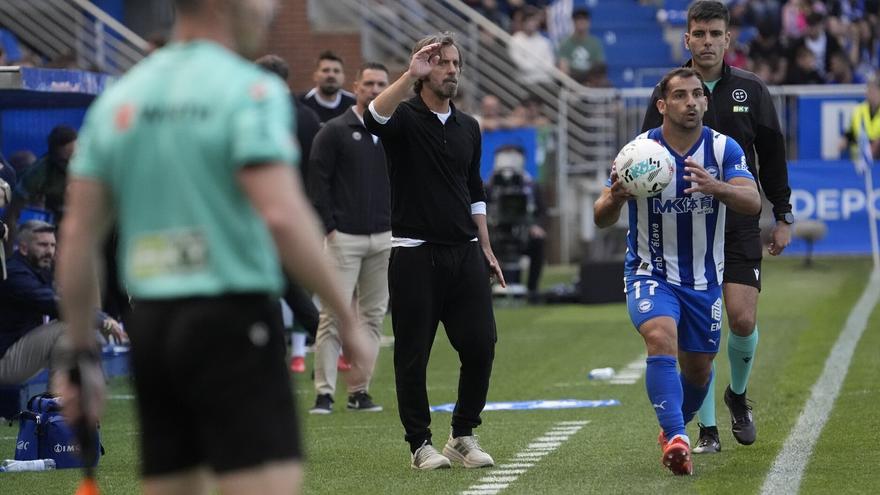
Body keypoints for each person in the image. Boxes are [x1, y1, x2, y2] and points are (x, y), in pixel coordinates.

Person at [54, 1, 369, 494]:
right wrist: (347, 320)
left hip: (153, 326)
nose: (268, 11)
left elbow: (76, 238)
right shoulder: (249, 91)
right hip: (233, 320)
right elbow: (282, 215)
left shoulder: (123, 98)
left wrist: (79, 355)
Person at [641, 0, 794, 455]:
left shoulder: (751, 89)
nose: (706, 42)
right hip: (686, 230)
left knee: (743, 319)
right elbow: (644, 158)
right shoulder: (667, 90)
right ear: (686, 38)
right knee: (695, 335)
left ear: (728, 39)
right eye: (699, 33)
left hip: (738, 223)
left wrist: (782, 214)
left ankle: (738, 397)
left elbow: (773, 153)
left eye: (715, 34)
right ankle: (706, 430)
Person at [597, 67, 760, 475]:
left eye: (697, 95)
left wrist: (716, 187)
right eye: (681, 95)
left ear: (705, 102)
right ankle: (676, 438)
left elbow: (753, 202)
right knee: (659, 335)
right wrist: (615, 198)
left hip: (704, 279)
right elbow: (600, 216)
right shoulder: (636, 153)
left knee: (700, 369)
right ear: (662, 105)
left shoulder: (725, 151)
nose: (691, 102)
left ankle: (676, 427)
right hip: (649, 271)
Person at [363, 32, 505, 470]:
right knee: (413, 354)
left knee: (481, 345)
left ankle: (462, 434)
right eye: (441, 63)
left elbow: (473, 188)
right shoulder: (403, 117)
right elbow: (372, 118)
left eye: (455, 63)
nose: (450, 70)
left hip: (463, 253)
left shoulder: (469, 127)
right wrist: (410, 73)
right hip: (413, 255)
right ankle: (419, 444)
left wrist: (485, 245)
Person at [308, 62, 392, 414]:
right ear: (356, 87)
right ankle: (324, 393)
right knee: (333, 316)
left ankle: (360, 390)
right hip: (344, 236)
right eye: (369, 83)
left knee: (373, 317)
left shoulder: (393, 131)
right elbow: (317, 181)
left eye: (381, 84)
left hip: (384, 235)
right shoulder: (334, 130)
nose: (375, 89)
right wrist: (329, 226)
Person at [255, 53, 323, 373]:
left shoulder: (260, 116)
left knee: (270, 286)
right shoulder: (309, 117)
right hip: (304, 214)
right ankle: (325, 343)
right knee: (293, 288)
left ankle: (277, 352)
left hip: (268, 214)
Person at [0, 221, 125, 385]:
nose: (49, 251)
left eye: (52, 245)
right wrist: (102, 320)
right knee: (68, 328)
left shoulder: (39, 270)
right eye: (43, 245)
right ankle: (57, 399)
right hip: (5, 360)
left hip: (18, 353)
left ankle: (57, 400)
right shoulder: (15, 272)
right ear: (23, 248)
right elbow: (54, 303)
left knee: (78, 333)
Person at [300, 51, 357, 124]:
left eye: (336, 71)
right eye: (325, 70)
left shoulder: (353, 104)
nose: (331, 75)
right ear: (315, 76)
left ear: (343, 77)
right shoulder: (303, 102)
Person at [556, 7, 605, 85]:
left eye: (584, 19)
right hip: (572, 77)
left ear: (589, 22)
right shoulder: (565, 43)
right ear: (573, 22)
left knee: (605, 84)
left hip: (591, 78)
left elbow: (599, 65)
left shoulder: (595, 43)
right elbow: (563, 66)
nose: (581, 22)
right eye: (578, 19)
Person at [841, 71, 880, 160]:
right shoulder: (859, 110)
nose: (868, 93)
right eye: (868, 90)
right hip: (859, 158)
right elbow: (851, 131)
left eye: (872, 90)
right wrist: (845, 140)